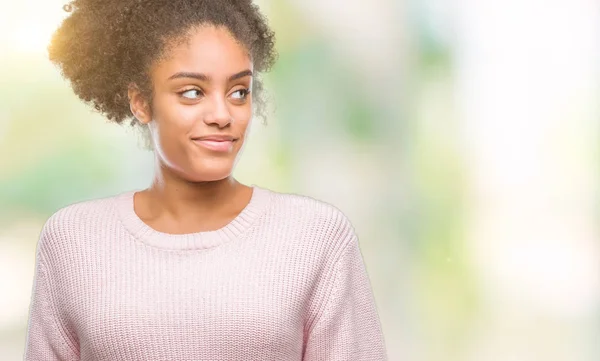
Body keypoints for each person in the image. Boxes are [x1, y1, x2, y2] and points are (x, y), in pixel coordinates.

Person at [23, 0, 388, 360]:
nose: (221, 114)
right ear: (140, 101)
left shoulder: (316, 236)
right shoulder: (73, 240)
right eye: (192, 92)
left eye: (238, 92)